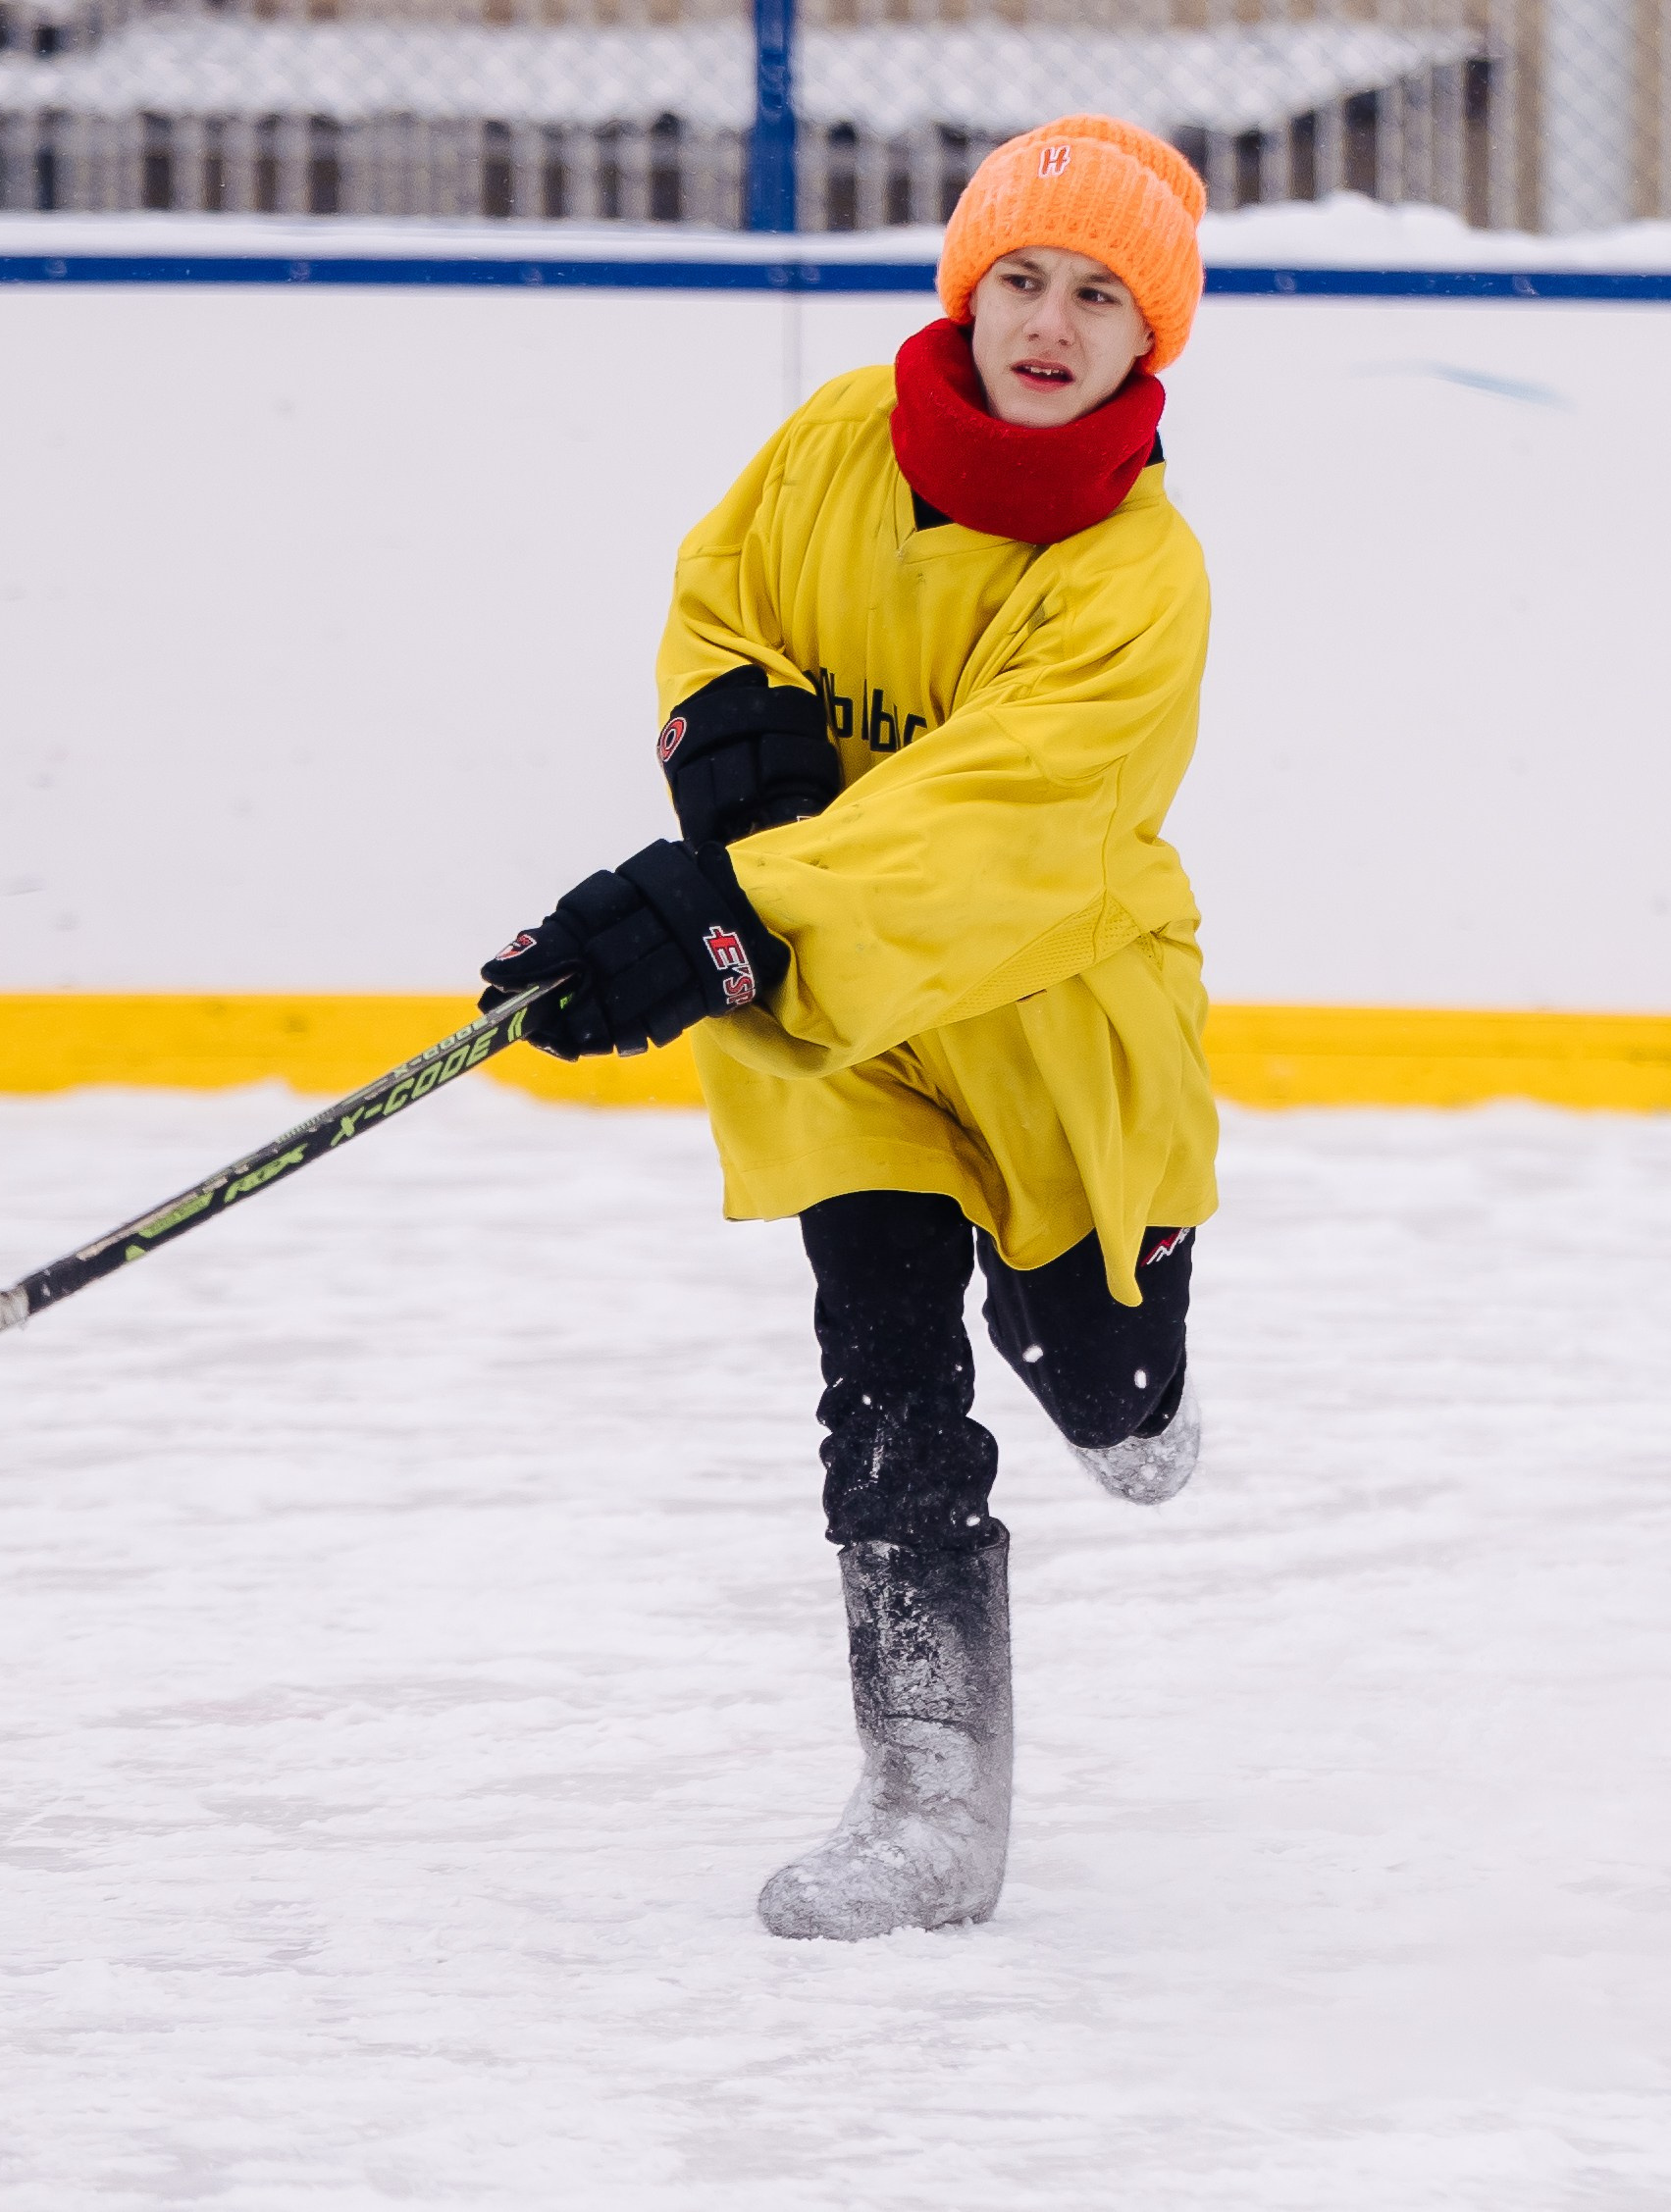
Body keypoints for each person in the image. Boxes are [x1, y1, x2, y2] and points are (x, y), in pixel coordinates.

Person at [479, 116, 1218, 1941]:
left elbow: (995, 831)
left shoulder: (1137, 580)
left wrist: (719, 915)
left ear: (1153, 339)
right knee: (881, 1368)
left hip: (1054, 1024)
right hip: (835, 1020)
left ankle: (1135, 1345)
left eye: (1098, 298)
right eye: (1017, 282)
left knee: (1106, 1388)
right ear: (968, 291)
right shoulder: (833, 441)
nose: (1046, 325)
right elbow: (721, 591)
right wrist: (721, 722)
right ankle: (928, 1797)